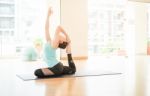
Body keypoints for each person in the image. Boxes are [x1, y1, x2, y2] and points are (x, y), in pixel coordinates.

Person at [34, 7, 76, 78]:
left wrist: (67, 36)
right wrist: (48, 15)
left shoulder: (54, 45)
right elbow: (46, 28)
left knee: (36, 72)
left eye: (63, 38)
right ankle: (68, 54)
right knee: (72, 70)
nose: (61, 36)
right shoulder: (49, 41)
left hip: (56, 67)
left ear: (60, 41)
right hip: (58, 66)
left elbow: (58, 27)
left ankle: (56, 72)